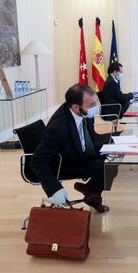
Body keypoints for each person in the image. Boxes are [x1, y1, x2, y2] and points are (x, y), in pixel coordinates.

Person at [31, 84, 116, 213]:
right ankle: (93, 195)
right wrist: (55, 189)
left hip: (80, 153)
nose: (96, 108)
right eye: (92, 105)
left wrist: (112, 144)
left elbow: (89, 140)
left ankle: (91, 192)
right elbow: (37, 161)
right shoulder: (59, 127)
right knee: (107, 167)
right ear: (76, 107)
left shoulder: (83, 113)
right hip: (66, 163)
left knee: (114, 159)